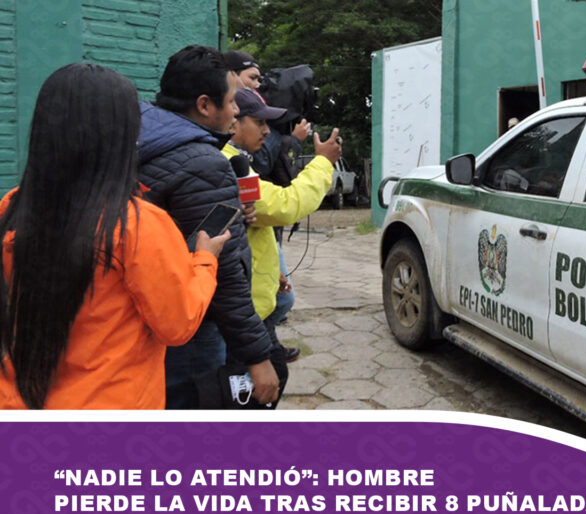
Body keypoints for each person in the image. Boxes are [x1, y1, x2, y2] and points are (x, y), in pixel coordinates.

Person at [0, 63, 228, 409]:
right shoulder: (138, 224)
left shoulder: (10, 207)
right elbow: (177, 324)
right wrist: (205, 259)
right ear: (123, 135)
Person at [137, 46, 279, 408]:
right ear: (204, 105)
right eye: (232, 102)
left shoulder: (138, 139)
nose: (236, 111)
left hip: (145, 322)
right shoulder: (203, 162)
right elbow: (225, 272)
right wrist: (258, 358)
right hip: (192, 326)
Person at [222, 88, 340, 351]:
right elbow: (284, 205)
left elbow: (257, 220)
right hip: (241, 304)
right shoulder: (228, 163)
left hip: (254, 285)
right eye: (260, 123)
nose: (267, 131)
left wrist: (272, 272)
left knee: (283, 303)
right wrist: (323, 163)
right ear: (233, 121)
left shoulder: (240, 160)